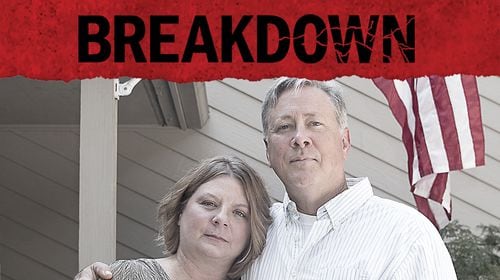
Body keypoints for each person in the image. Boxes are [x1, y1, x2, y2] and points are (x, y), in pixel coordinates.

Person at [75, 78, 457, 279]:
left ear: (344, 141)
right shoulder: (257, 233)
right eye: (284, 126)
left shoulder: (406, 236)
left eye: (315, 124)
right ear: (267, 148)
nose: (300, 137)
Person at [75, 155, 272, 280]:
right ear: (180, 211)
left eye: (239, 213)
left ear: (252, 232)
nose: (221, 218)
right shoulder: (130, 276)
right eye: (209, 203)